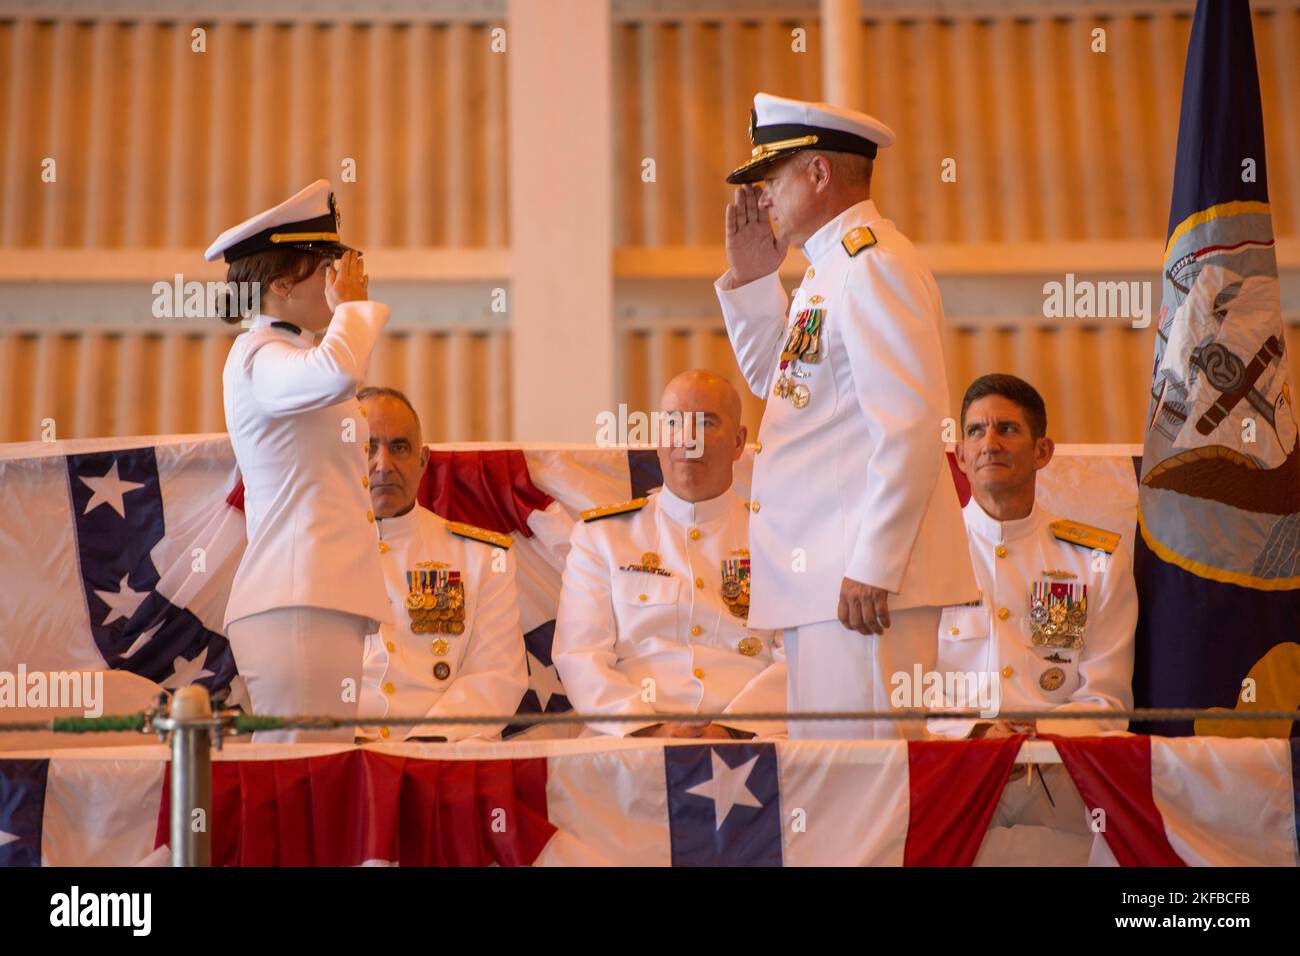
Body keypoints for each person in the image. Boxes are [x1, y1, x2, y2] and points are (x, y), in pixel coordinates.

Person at [715, 92, 977, 739]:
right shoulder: (826, 272)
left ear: (818, 174)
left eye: (771, 177)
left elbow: (911, 425)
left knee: (864, 791)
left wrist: (875, 564)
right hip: (828, 584)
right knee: (831, 790)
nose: (763, 197)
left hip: (860, 587)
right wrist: (753, 283)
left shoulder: (872, 264)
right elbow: (783, 387)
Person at [210, 179, 391, 742]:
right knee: (304, 775)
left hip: (316, 597)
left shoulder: (285, 354)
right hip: (296, 599)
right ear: (281, 283)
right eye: (325, 270)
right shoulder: (258, 356)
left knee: (319, 777)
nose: (336, 285)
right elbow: (337, 371)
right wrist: (354, 309)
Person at [932, 374, 1136, 866]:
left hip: (1061, 779)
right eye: (976, 432)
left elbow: (1107, 699)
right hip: (951, 774)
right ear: (960, 455)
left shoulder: (1095, 559)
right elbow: (895, 685)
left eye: (1007, 429)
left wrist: (1033, 731)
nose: (990, 443)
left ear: (1043, 451)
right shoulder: (921, 559)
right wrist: (975, 732)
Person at [553, 370, 786, 738]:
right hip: (628, 742)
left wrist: (732, 729)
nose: (688, 439)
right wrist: (651, 730)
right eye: (674, 423)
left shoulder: (780, 542)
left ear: (739, 442)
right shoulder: (601, 538)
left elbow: (798, 658)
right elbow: (579, 655)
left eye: (707, 423)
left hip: (753, 740)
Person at [355, 386, 529, 742]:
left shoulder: (482, 558)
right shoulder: (308, 555)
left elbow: (496, 676)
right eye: (368, 447)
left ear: (422, 461)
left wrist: (425, 747)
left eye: (399, 447)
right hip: (343, 759)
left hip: (447, 761)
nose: (383, 464)